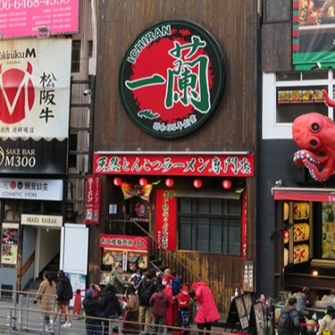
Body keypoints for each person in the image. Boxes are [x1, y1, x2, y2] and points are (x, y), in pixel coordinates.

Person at [137, 271, 156, 335]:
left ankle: (139, 330)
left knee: (141, 316)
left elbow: (139, 292)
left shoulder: (141, 283)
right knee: (148, 317)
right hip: (149, 303)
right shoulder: (153, 286)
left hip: (141, 302)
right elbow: (154, 295)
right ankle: (146, 331)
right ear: (152, 278)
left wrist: (140, 299)